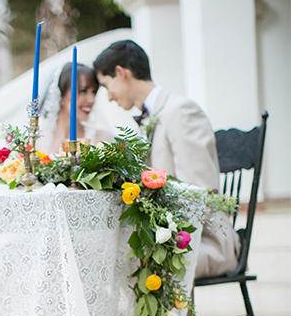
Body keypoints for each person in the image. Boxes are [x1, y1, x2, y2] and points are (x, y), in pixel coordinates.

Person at [93, 40, 240, 278]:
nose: (109, 97)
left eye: (106, 85)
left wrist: (160, 234)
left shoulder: (181, 111)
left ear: (121, 73)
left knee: (129, 263)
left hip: (207, 242)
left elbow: (199, 192)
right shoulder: (152, 115)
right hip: (174, 235)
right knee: (115, 256)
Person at [39, 62, 114, 155]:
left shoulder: (102, 141)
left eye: (94, 92)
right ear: (61, 94)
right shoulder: (37, 143)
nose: (92, 100)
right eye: (83, 91)